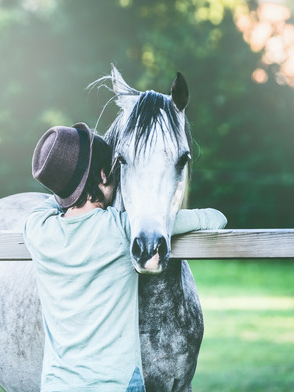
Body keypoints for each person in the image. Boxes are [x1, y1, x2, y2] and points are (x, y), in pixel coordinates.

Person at [23, 122, 227, 392]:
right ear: (105, 175)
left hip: (56, 384)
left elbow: (51, 202)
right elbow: (214, 218)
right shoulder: (120, 229)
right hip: (116, 385)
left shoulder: (37, 229)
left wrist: (67, 187)